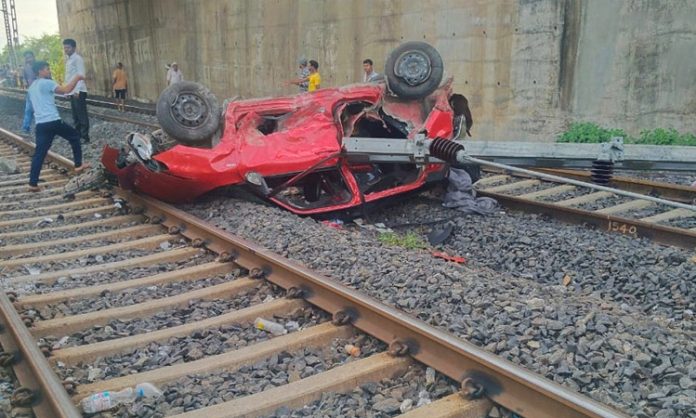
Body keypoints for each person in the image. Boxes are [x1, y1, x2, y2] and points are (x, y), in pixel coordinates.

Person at [27, 61, 89, 192]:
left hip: (41, 124)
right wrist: (77, 77)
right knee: (75, 136)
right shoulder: (46, 83)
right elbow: (66, 90)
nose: (49, 71)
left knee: (39, 153)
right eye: (47, 69)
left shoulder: (32, 86)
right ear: (40, 71)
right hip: (53, 121)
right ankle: (78, 165)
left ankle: (32, 183)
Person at [63, 38, 90, 143]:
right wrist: (67, 91)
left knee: (81, 115)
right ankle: (78, 135)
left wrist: (77, 91)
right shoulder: (69, 60)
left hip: (78, 91)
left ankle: (85, 137)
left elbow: (81, 75)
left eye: (68, 47)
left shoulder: (77, 59)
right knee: (75, 115)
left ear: (74, 48)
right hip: (72, 91)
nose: (66, 50)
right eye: (65, 48)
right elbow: (69, 77)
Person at [21, 51, 36, 134]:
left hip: (39, 91)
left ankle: (45, 128)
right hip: (31, 91)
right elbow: (24, 78)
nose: (28, 59)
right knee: (28, 109)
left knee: (40, 109)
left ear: (34, 57)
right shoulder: (25, 68)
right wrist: (24, 82)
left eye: (30, 57)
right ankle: (25, 128)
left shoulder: (38, 66)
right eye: (27, 58)